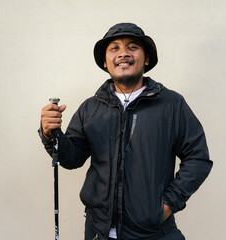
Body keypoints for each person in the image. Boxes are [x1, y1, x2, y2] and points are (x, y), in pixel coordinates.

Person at [39, 22, 213, 240]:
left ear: (146, 59)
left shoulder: (171, 105)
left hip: (154, 233)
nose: (123, 54)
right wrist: (50, 134)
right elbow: (71, 158)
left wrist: (168, 205)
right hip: (98, 233)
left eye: (132, 47)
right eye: (114, 48)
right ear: (105, 61)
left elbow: (198, 158)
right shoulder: (90, 108)